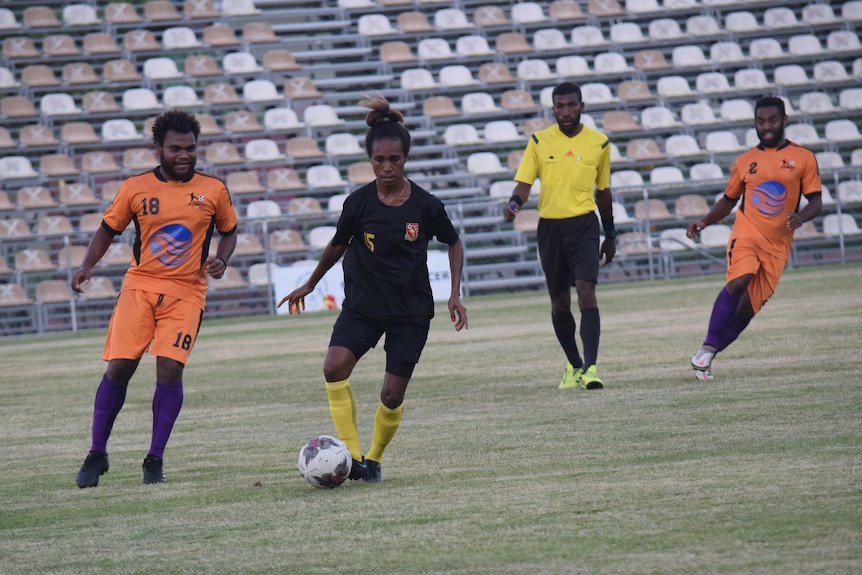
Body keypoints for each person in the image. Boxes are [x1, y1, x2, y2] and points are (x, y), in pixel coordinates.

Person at [278, 96, 468, 483]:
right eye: (379, 160)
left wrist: (453, 293)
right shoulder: (358, 203)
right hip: (363, 306)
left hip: (410, 311)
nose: (386, 167)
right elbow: (337, 244)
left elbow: (454, 242)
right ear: (370, 159)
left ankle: (374, 460)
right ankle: (351, 457)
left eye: (393, 160)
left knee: (391, 396)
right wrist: (310, 283)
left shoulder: (427, 206)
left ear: (405, 158)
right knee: (333, 367)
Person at [73, 109, 238, 487]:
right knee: (120, 367)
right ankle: (97, 453)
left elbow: (230, 232)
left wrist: (222, 260)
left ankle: (154, 460)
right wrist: (87, 265)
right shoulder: (135, 188)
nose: (185, 155)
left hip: (187, 293)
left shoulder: (213, 190)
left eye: (191, 149)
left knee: (170, 370)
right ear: (158, 148)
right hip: (140, 286)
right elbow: (107, 229)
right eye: (176, 149)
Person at [686, 95, 822, 381]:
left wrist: (802, 217)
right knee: (739, 280)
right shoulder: (745, 161)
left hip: (778, 245)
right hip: (746, 233)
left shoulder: (803, 158)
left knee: (746, 309)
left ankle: (706, 356)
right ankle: (708, 347)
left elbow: (816, 202)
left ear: (784, 120)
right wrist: (705, 221)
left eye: (772, 120)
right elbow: (729, 199)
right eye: (760, 121)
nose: (766, 126)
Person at [503, 81, 616, 390]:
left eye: (571, 105)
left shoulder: (600, 143)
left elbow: (603, 191)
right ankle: (574, 364)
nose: (566, 111)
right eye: (560, 106)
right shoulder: (539, 141)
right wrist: (514, 203)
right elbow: (524, 182)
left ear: (582, 107)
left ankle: (591, 368)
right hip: (550, 228)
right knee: (559, 303)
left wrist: (611, 234)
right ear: (553, 109)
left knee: (586, 291)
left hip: (584, 225)